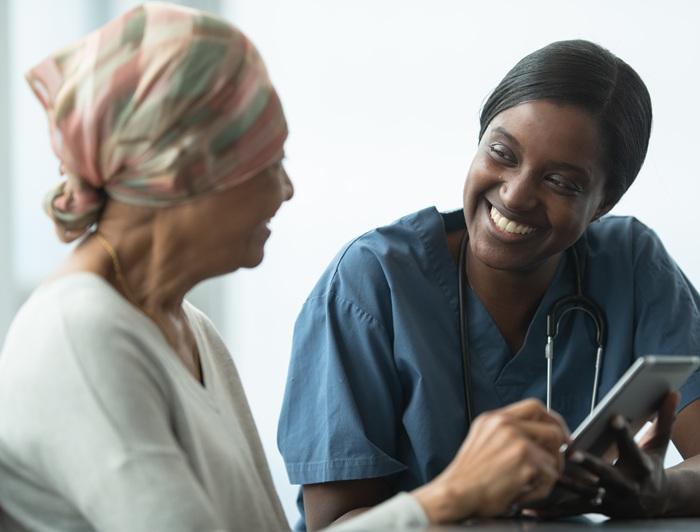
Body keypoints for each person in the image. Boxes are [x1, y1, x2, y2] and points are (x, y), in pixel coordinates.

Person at [0, 4, 570, 531]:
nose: (287, 190)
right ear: (187, 175)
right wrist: (450, 496)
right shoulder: (80, 336)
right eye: (272, 163)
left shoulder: (190, 329)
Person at [278, 39, 700, 529]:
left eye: (561, 182)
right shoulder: (373, 283)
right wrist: (464, 495)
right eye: (502, 153)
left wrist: (655, 493)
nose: (516, 195)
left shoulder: (631, 264)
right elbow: (337, 522)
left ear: (604, 203)